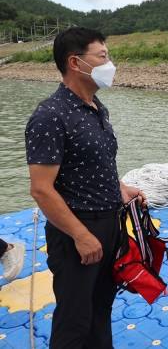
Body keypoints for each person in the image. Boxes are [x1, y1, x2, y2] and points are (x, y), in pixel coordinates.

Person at [26, 26, 147, 349]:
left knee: (101, 308)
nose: (111, 63)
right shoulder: (50, 115)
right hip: (76, 230)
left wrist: (121, 188)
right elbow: (41, 189)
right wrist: (80, 235)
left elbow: (97, 162)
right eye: (103, 56)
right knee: (75, 317)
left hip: (108, 225)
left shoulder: (95, 107)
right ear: (76, 63)